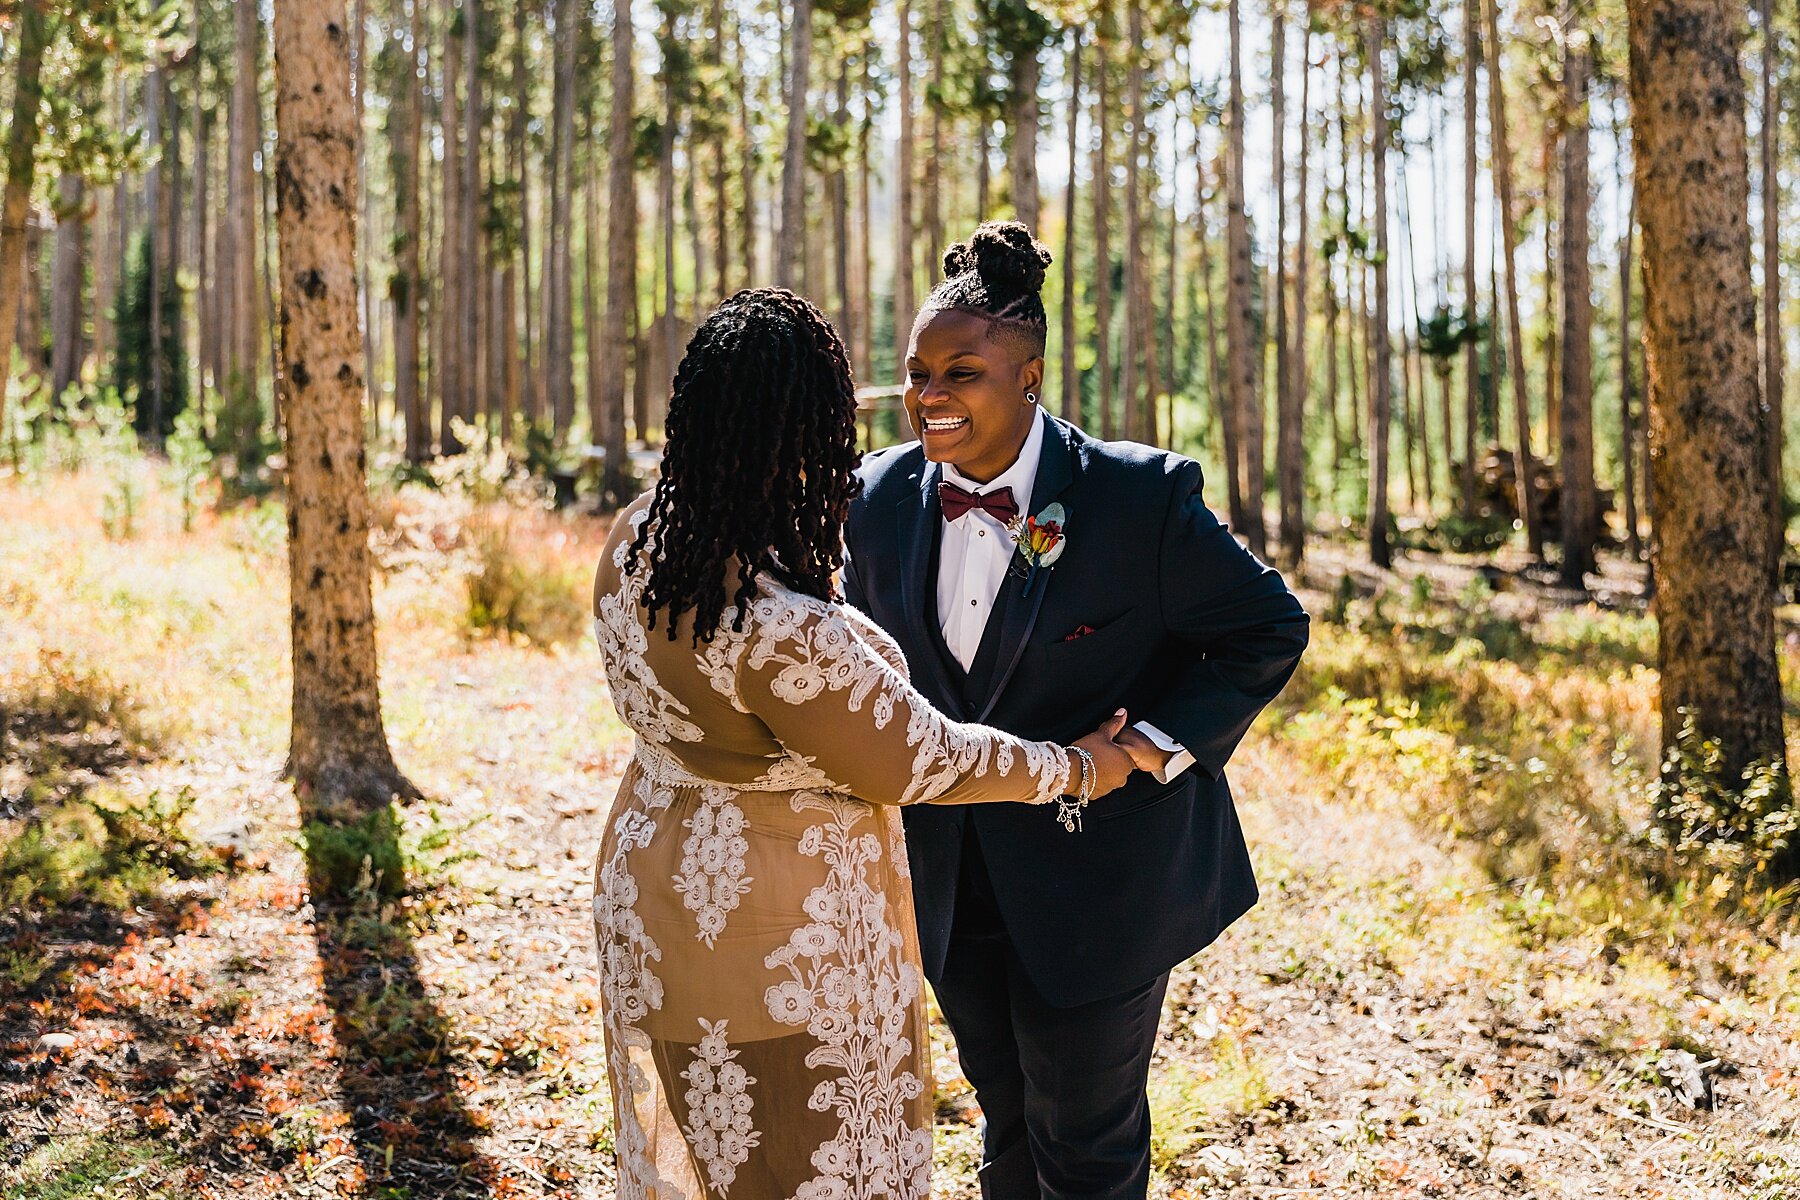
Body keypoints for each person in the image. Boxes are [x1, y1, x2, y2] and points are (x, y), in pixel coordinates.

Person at [589, 286, 1143, 1200]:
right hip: (783, 946)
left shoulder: (637, 541)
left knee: (720, 1168)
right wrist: (1084, 767)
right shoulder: (780, 628)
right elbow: (927, 757)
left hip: (653, 899)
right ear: (804, 433)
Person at [843, 222, 1310, 1200]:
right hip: (947, 882)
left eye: (961, 373)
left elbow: (1266, 627)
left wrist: (1145, 748)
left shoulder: (1137, 500)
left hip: (1103, 889)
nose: (930, 396)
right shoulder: (874, 497)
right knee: (1006, 1116)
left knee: (1086, 1146)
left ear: (1031, 377)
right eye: (919, 372)